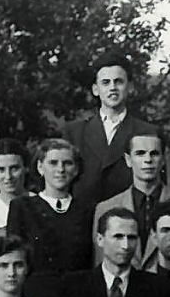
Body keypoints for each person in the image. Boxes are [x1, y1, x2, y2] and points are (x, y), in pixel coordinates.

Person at [6, 137, 95, 295]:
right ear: (40, 167)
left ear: (76, 169)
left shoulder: (88, 209)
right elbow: (15, 257)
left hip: (80, 296)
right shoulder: (22, 207)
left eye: (67, 163)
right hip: (35, 296)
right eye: (53, 163)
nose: (60, 169)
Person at [94, 133, 170, 271]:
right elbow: (100, 262)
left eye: (154, 154)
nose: (148, 160)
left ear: (163, 159)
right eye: (140, 153)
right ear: (128, 160)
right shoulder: (105, 208)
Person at [65, 59, 158, 206]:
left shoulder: (147, 132)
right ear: (95, 89)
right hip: (82, 218)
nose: (112, 88)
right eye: (106, 82)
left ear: (130, 87)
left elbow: (157, 187)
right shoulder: (74, 132)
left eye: (119, 82)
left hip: (128, 219)